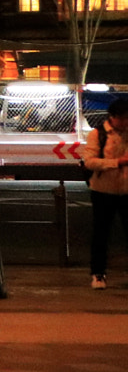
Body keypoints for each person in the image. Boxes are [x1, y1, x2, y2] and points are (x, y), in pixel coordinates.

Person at [80, 96, 128, 289]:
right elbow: (89, 161)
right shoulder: (98, 134)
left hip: (126, 191)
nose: (126, 123)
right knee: (101, 233)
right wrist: (116, 163)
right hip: (103, 190)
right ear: (112, 117)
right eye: (123, 118)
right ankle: (98, 273)